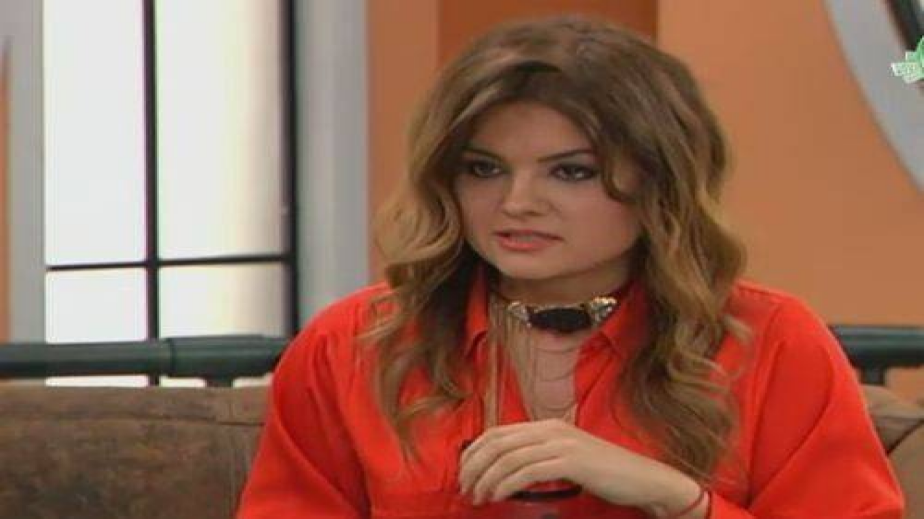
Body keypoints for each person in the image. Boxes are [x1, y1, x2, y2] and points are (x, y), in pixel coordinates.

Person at [237, 15, 904, 519]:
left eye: (571, 172)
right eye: (484, 169)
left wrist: (678, 499)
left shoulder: (771, 342)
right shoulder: (353, 345)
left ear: (659, 181)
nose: (517, 203)